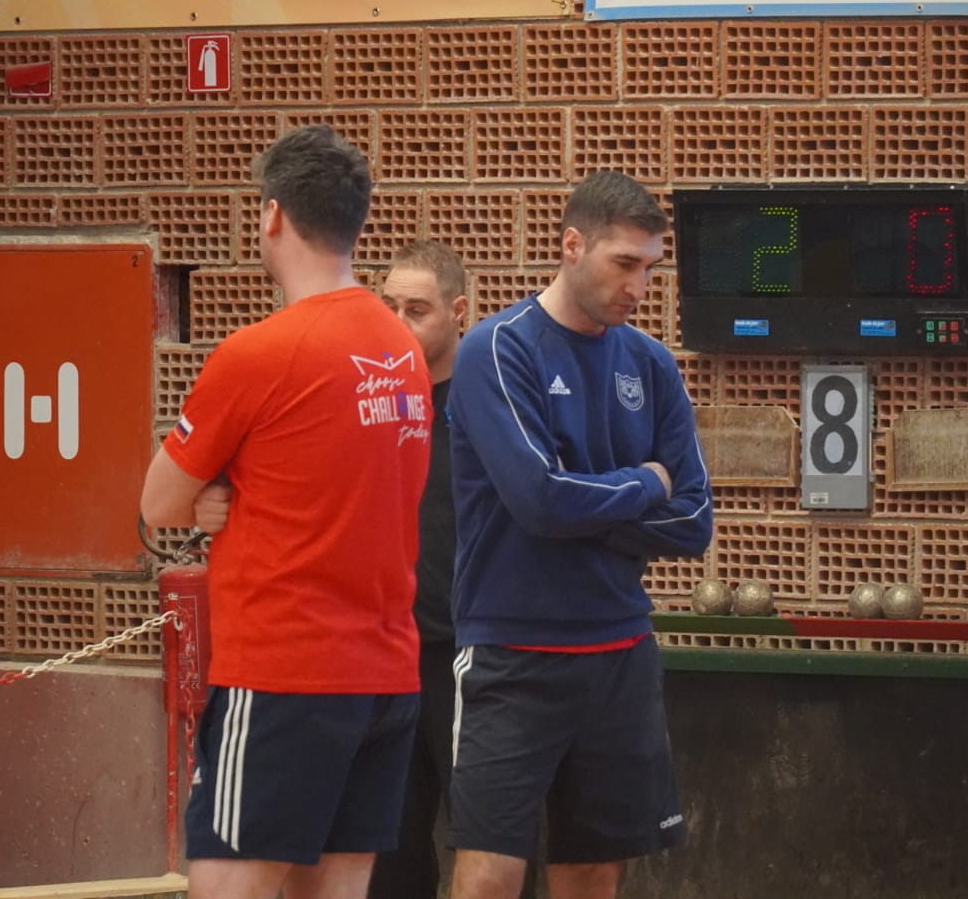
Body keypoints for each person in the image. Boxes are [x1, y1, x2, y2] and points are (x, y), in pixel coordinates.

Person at [140, 124, 433, 899]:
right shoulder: (402, 347)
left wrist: (217, 492)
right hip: (385, 675)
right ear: (356, 220)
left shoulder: (258, 352)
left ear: (271, 215)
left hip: (284, 674)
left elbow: (158, 501)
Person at [445, 170, 714, 899]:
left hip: (619, 652)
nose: (638, 286)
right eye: (624, 263)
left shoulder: (652, 365)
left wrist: (585, 508)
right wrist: (645, 483)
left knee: (594, 871)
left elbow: (693, 521)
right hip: (512, 652)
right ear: (572, 245)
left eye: (650, 269)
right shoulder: (498, 349)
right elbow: (539, 501)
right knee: (489, 875)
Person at [366, 239, 470, 899]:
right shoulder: (368, 407)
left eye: (417, 310)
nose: (398, 323)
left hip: (468, 656)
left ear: (458, 313)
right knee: (390, 856)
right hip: (386, 655)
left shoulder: (487, 406)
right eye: (389, 307)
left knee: (487, 848)